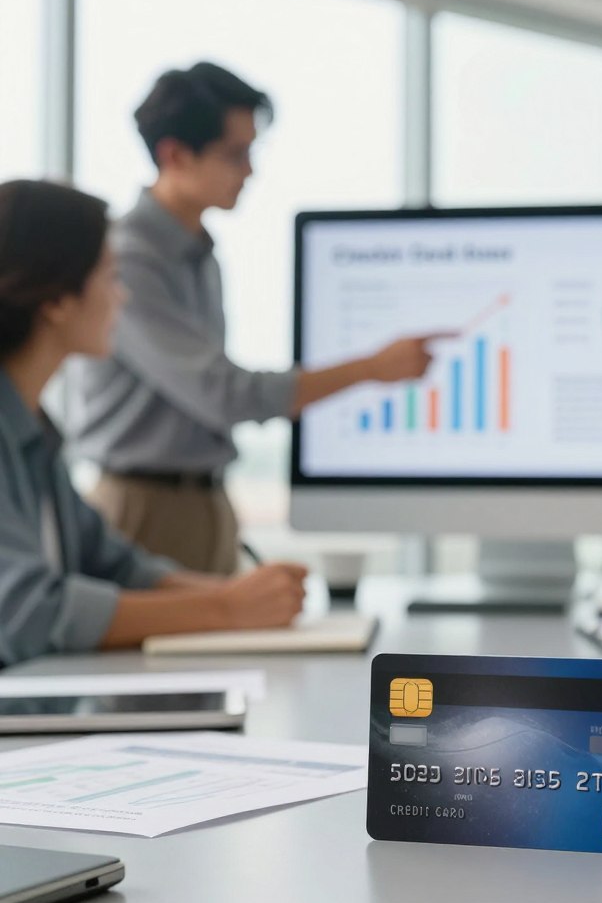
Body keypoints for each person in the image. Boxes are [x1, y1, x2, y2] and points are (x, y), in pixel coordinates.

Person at [69, 62, 448, 573]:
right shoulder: (131, 259)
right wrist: (371, 368)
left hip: (203, 502)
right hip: (146, 508)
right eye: (235, 154)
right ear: (174, 155)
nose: (250, 171)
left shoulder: (198, 252)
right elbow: (224, 394)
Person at [0, 179, 310, 666]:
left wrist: (240, 595)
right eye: (110, 277)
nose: (122, 298)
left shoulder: (32, 428)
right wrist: (225, 608)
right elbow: (27, 611)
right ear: (56, 300)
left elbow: (114, 562)